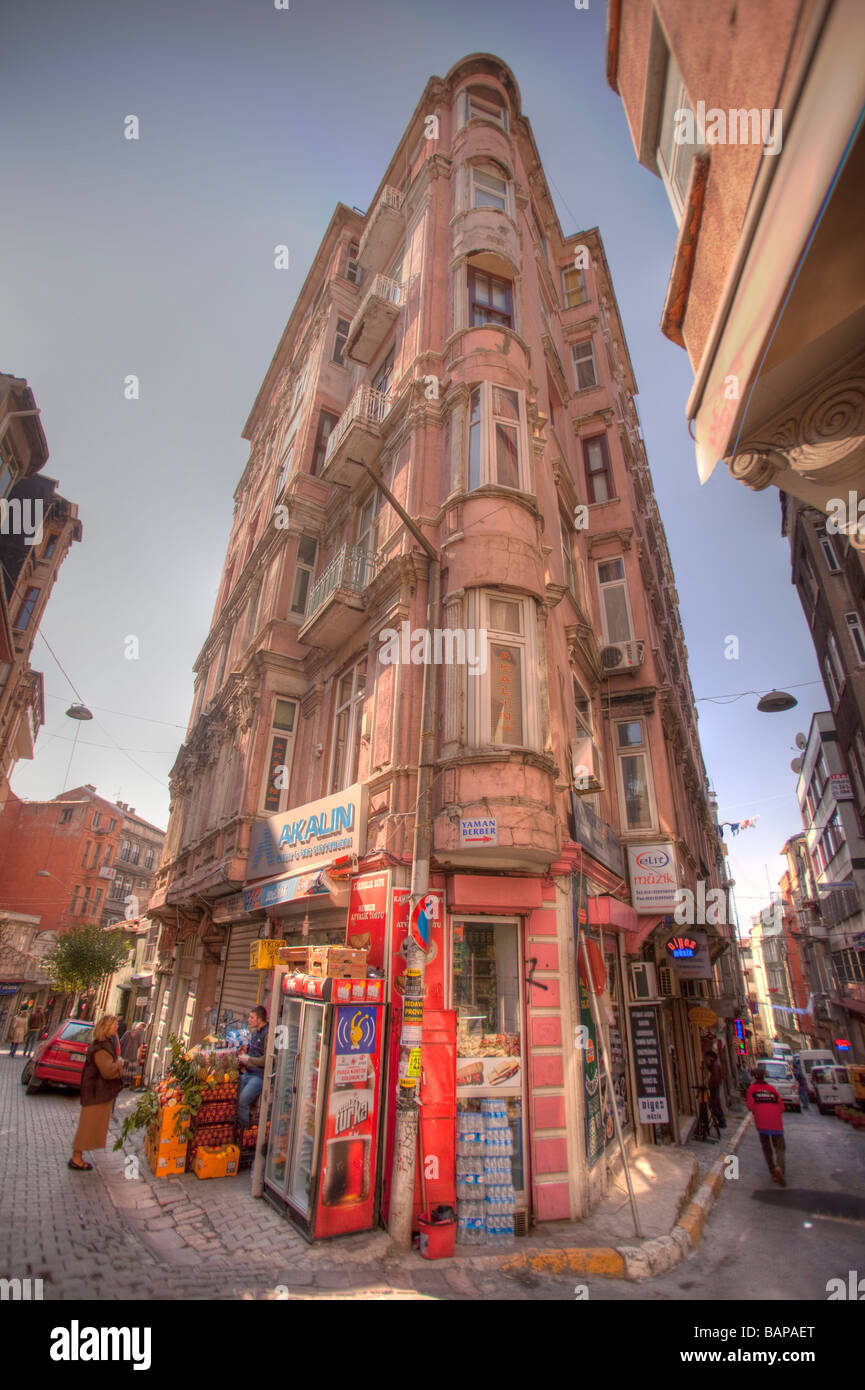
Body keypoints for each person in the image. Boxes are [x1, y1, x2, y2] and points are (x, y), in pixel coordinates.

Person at [69, 1013, 123, 1171]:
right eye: (114, 1025)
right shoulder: (101, 1047)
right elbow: (107, 1071)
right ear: (107, 1027)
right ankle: (76, 1158)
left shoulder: (104, 1043)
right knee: (87, 1127)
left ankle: (77, 1156)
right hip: (96, 1093)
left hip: (97, 1092)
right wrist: (119, 1064)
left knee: (90, 1126)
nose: (117, 1027)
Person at [746, 1064, 787, 1185]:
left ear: (754, 1078)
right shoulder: (772, 1089)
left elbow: (750, 1106)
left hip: (762, 1123)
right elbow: (782, 1107)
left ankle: (773, 1171)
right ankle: (780, 1168)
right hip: (776, 1123)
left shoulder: (751, 1090)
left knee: (767, 1148)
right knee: (780, 1148)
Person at [236, 1005, 267, 1128]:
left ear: (260, 1020)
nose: (248, 1020)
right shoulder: (254, 1033)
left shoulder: (267, 1034)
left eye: (252, 1017)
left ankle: (244, 1133)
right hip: (248, 1073)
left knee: (243, 1101)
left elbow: (266, 1060)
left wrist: (249, 1060)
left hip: (258, 1077)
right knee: (234, 1095)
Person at [119, 1019, 147, 1088]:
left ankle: (125, 1082)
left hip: (128, 1054)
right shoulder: (134, 1035)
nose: (138, 1030)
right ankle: (126, 1082)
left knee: (126, 1068)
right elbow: (139, 1044)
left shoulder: (131, 1034)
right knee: (128, 1068)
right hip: (130, 1054)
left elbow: (121, 1042)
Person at [706, 1049, 727, 1129]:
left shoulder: (715, 1065)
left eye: (707, 1058)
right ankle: (721, 1121)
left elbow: (715, 1077)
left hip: (714, 1087)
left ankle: (721, 1121)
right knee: (716, 1104)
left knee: (715, 1104)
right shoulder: (715, 1064)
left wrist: (710, 1084)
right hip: (715, 1087)